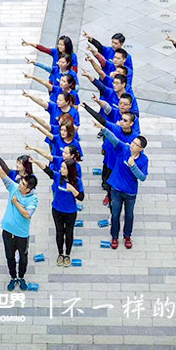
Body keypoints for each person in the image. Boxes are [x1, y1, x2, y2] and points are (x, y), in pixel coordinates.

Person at [93, 102, 148, 250]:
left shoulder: (143, 160)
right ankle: (114, 237)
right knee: (115, 215)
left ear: (141, 149)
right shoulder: (124, 149)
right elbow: (114, 138)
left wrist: (133, 166)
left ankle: (127, 236)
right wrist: (103, 129)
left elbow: (143, 177)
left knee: (129, 216)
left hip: (130, 192)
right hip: (116, 189)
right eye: (133, 143)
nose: (132, 145)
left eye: (136, 144)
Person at [0, 153, 39, 291]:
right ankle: (13, 277)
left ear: (29, 189)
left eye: (23, 184)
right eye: (21, 182)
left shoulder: (33, 199)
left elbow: (27, 214)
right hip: (7, 231)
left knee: (23, 258)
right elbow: (2, 175)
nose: (20, 184)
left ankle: (21, 277)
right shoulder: (14, 187)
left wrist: (15, 203)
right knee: (9, 256)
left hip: (22, 234)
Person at [27, 145, 84, 267]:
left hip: (70, 212)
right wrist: (35, 161)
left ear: (70, 170)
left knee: (69, 233)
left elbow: (81, 197)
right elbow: (47, 169)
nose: (61, 170)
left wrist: (73, 190)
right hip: (57, 210)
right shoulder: (58, 177)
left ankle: (67, 254)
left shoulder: (77, 181)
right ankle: (60, 253)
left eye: (63, 168)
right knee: (59, 232)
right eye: (61, 167)